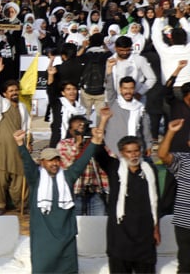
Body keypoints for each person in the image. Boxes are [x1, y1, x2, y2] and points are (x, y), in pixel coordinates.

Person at [15, 127, 102, 274]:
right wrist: (20, 144)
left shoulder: (67, 178)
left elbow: (82, 161)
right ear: (42, 162)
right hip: (43, 239)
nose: (54, 164)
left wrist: (94, 142)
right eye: (50, 161)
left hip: (66, 238)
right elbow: (27, 164)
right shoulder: (36, 180)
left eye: (56, 160)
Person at [93, 118, 160, 274]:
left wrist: (156, 228)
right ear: (122, 153)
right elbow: (97, 151)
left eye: (136, 150)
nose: (133, 155)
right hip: (120, 236)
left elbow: (156, 202)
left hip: (144, 237)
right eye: (129, 152)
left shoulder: (149, 171)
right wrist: (103, 122)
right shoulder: (114, 168)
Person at [0, 57, 28, 215]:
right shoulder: (1, 104)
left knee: (19, 181)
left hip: (17, 151)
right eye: (11, 91)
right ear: (5, 94)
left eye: (16, 90)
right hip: (0, 152)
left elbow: (25, 128)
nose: (14, 93)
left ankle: (22, 205)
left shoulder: (23, 108)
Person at [57, 114, 109, 215]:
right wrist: (78, 144)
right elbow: (68, 165)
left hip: (95, 191)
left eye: (83, 128)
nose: (81, 131)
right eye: (77, 129)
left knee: (98, 224)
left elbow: (109, 159)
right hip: (75, 192)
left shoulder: (94, 144)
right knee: (77, 225)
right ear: (71, 131)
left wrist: (97, 141)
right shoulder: (64, 144)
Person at [158, 118, 190, 272]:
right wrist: (170, 132)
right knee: (185, 265)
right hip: (185, 222)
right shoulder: (183, 160)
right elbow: (163, 155)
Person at [103, 58, 152, 157]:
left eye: (130, 88)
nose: (128, 91)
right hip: (114, 149)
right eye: (125, 88)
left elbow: (145, 128)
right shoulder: (114, 103)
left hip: (134, 151)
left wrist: (148, 145)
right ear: (120, 89)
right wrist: (109, 68)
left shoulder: (140, 107)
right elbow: (109, 87)